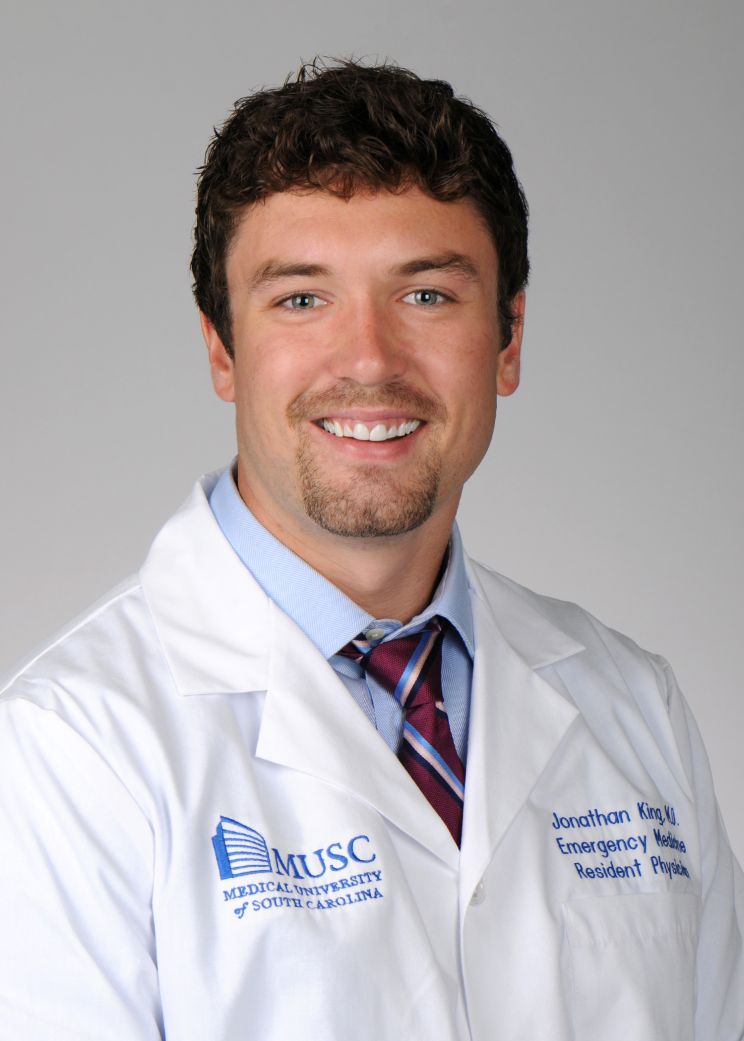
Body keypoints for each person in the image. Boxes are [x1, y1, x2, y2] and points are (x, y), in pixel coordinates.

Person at [0, 59, 741, 1041]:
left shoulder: (635, 706)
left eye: (426, 295)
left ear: (509, 339)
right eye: (301, 300)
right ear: (222, 349)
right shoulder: (69, 748)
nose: (369, 361)